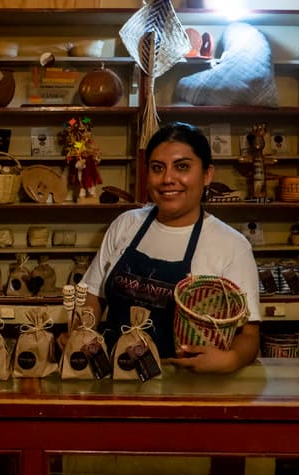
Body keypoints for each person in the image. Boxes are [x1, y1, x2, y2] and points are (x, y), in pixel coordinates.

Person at [78, 121, 261, 373]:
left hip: (184, 381)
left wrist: (230, 360)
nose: (167, 179)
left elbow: (249, 335)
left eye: (182, 167)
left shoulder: (231, 245)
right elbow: (93, 297)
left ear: (207, 175)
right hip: (115, 374)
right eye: (157, 168)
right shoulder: (126, 225)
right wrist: (80, 333)